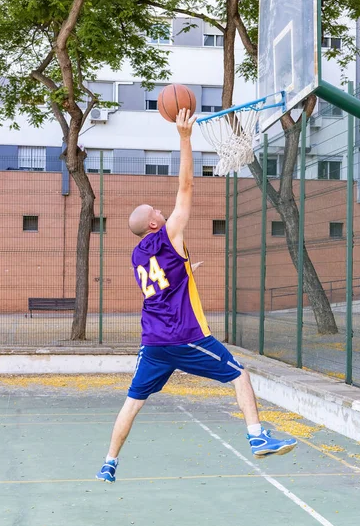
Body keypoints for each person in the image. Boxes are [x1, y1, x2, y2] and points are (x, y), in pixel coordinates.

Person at [96, 108, 296, 483]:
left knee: (133, 402)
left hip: (152, 341)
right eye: (157, 210)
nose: (162, 209)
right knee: (240, 376)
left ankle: (109, 462)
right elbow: (186, 188)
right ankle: (257, 439)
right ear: (155, 224)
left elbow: (162, 284)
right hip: (185, 336)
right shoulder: (169, 234)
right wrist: (185, 138)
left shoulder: (138, 254)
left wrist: (188, 271)